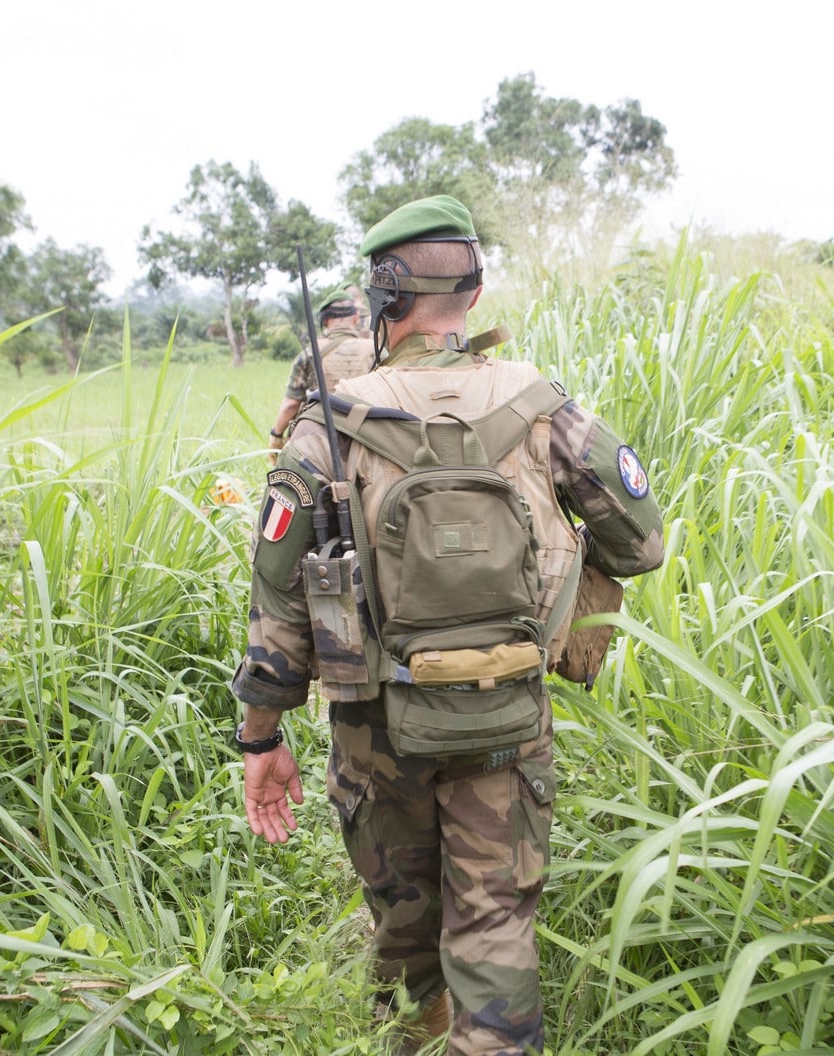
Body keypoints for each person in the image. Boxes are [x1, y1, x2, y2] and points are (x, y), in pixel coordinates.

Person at [230, 195, 665, 1055]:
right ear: (470, 289)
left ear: (386, 294)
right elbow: (643, 543)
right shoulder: (544, 407)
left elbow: (278, 608)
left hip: (373, 729)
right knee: (493, 921)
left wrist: (261, 741)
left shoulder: (330, 425)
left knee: (403, 920)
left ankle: (416, 1037)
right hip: (506, 715)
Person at [269, 288, 375, 445]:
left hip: (318, 439)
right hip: (366, 437)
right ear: (355, 317)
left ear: (325, 321)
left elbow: (292, 403)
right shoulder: (375, 351)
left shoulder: (309, 353)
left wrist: (276, 435)